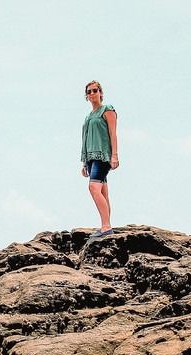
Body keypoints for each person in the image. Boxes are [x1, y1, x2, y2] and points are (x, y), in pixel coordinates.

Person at [80, 80, 119, 238]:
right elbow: (86, 138)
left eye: (94, 90)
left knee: (93, 188)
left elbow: (112, 133)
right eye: (89, 92)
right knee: (103, 191)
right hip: (90, 157)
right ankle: (107, 226)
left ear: (100, 92)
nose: (92, 93)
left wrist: (114, 155)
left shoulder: (107, 110)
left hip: (102, 156)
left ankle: (106, 226)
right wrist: (84, 162)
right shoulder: (88, 116)